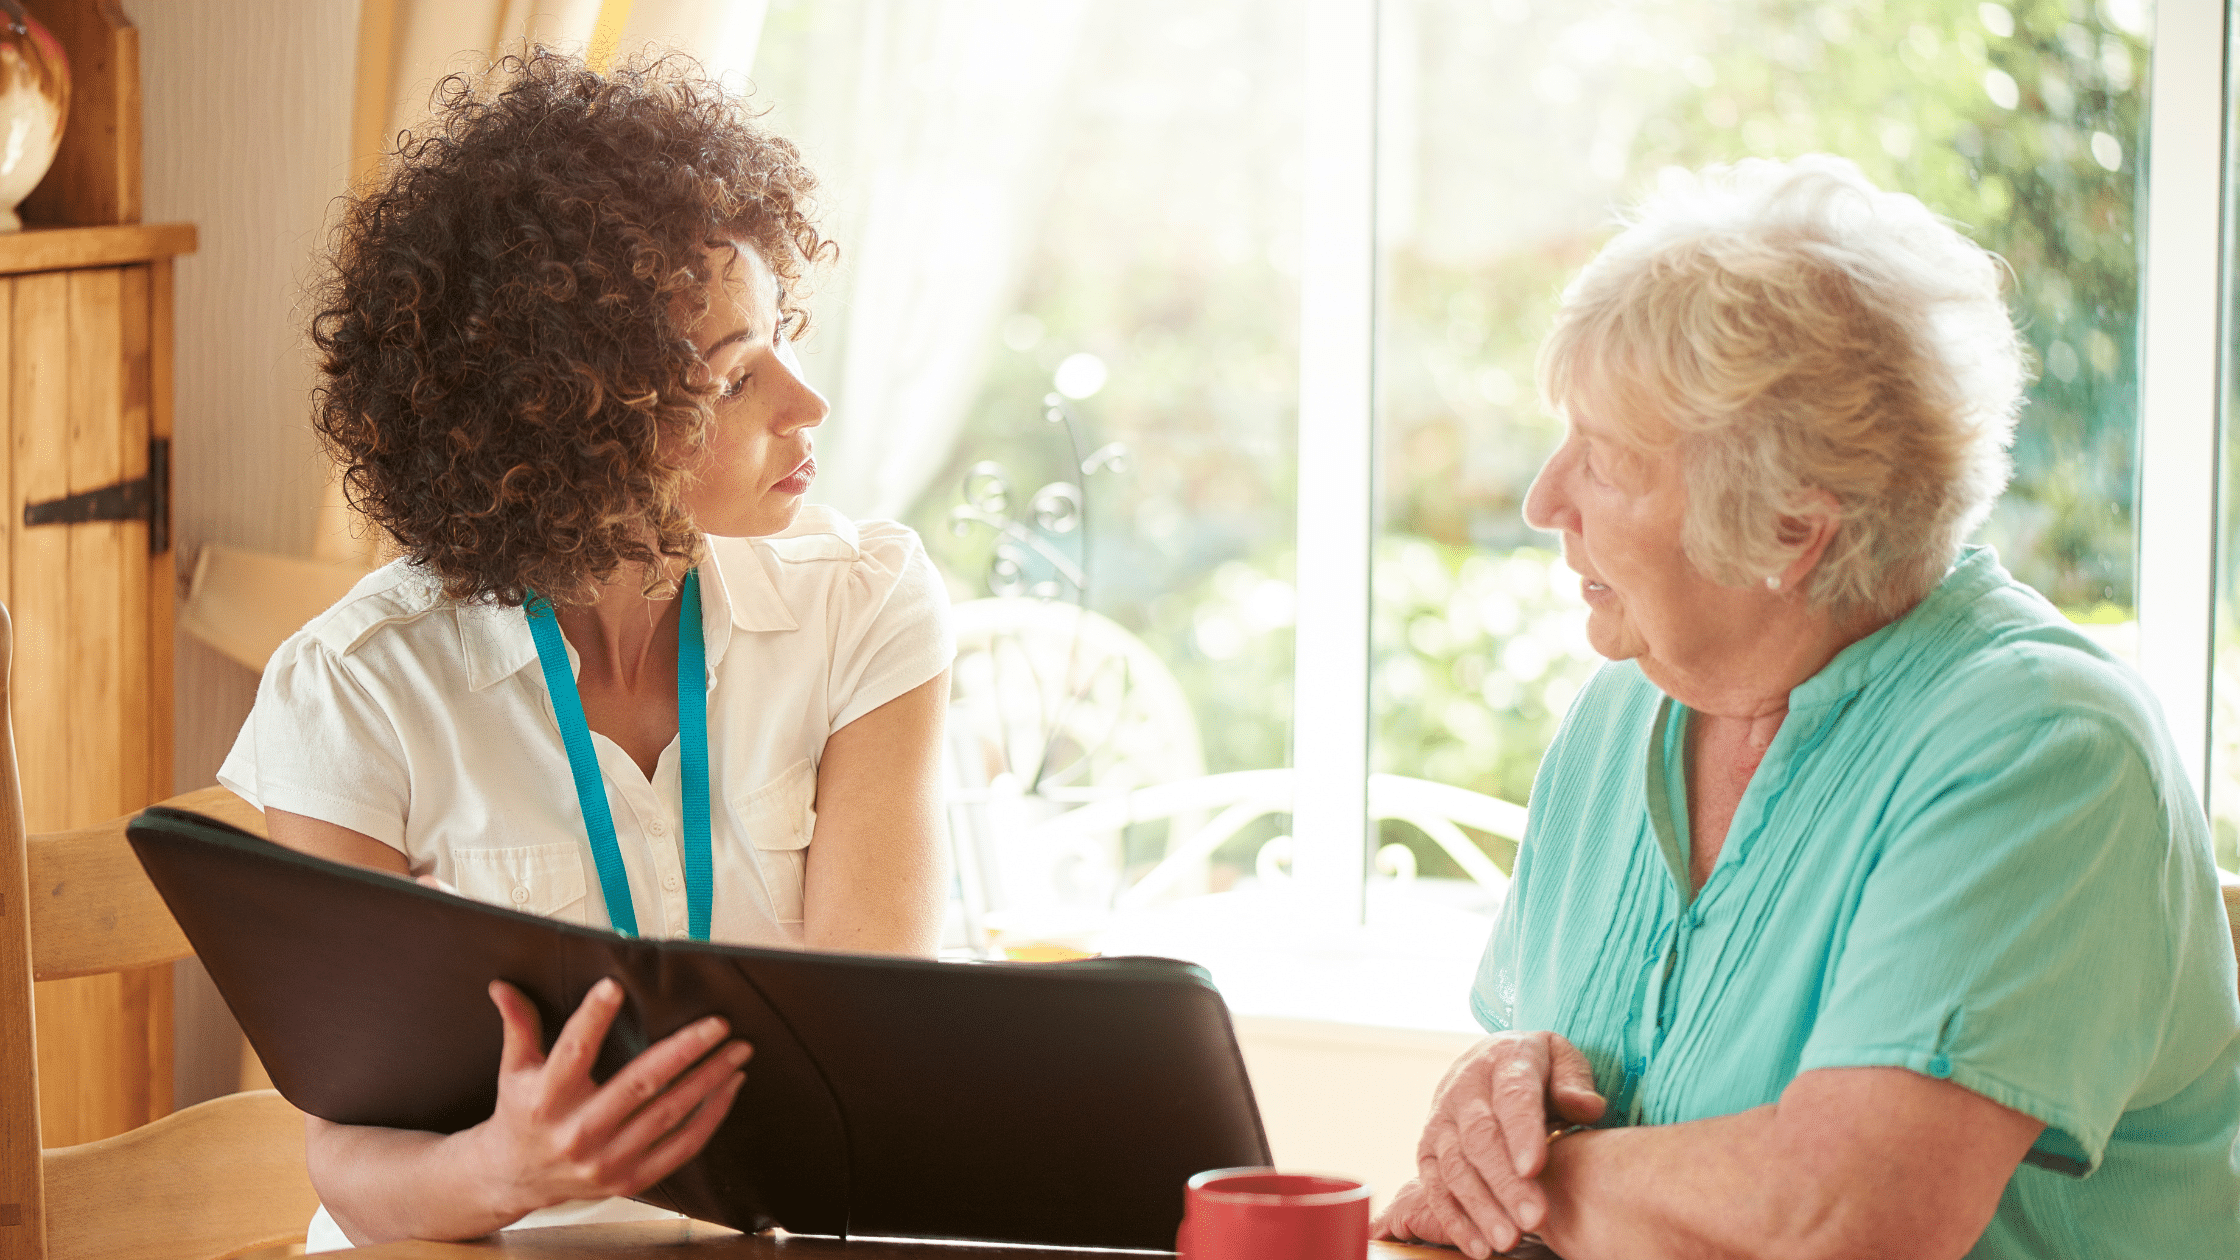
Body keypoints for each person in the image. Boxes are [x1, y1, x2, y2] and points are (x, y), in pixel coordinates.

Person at [1375, 156, 2240, 1259]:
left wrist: (1542, 1188)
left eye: (1603, 459)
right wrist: (1495, 1100)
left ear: (1790, 527)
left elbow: (1849, 1219)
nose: (1545, 500)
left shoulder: (2039, 749)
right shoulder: (1618, 715)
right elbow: (1576, 1080)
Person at [217, 51, 953, 1250]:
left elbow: (874, 1056)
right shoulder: (354, 691)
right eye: (732, 378)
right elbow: (354, 1168)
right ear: (563, 419)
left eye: (779, 340)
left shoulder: (865, 610)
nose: (804, 405)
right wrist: (508, 1168)